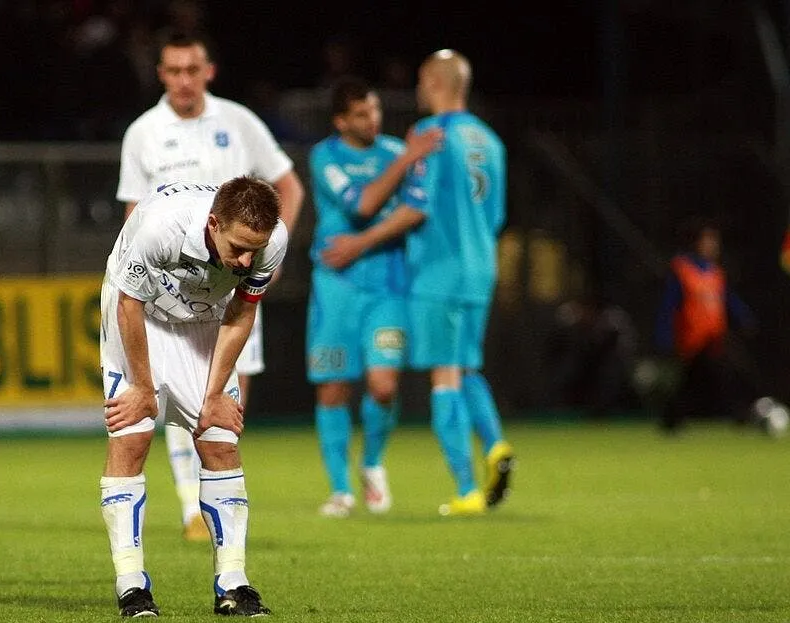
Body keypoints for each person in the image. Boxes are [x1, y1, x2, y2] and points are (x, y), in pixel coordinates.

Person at [116, 32, 304, 541]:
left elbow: (288, 185)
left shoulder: (238, 122)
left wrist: (268, 257)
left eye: (191, 70)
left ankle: (215, 500)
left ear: (208, 71)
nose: (182, 80)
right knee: (176, 389)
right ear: (161, 75)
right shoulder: (143, 133)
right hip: (172, 288)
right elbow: (135, 214)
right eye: (173, 71)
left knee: (225, 400)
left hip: (233, 285)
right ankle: (190, 509)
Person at [322, 50, 515, 514]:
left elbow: (416, 207)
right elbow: (498, 215)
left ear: (432, 81)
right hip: (482, 267)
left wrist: (363, 241)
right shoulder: (490, 140)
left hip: (439, 271)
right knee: (468, 365)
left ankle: (467, 489)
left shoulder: (431, 135)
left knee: (444, 375)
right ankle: (495, 446)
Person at [98, 176, 287, 618]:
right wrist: (144, 389)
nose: (244, 260)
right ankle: (132, 585)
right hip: (138, 311)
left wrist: (216, 392)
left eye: (252, 252)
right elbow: (129, 304)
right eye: (237, 247)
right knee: (132, 434)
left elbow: (243, 309)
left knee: (221, 438)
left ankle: (234, 582)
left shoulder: (270, 242)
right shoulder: (160, 228)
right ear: (214, 222)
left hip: (206, 317)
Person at [307, 77, 442, 517]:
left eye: (376, 110)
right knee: (333, 388)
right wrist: (406, 159)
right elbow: (361, 204)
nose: (373, 120)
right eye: (362, 114)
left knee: (383, 386)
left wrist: (363, 244)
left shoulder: (394, 154)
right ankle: (340, 489)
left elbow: (416, 209)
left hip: (389, 285)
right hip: (336, 287)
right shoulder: (325, 156)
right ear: (341, 121)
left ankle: (372, 463)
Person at [655, 218, 759, 432]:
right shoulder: (682, 271)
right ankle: (741, 414)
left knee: (712, 378)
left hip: (714, 339)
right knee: (698, 381)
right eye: (708, 240)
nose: (713, 245)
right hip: (691, 339)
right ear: (695, 242)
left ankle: (738, 414)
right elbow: (668, 306)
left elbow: (728, 299)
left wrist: (744, 317)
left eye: (715, 241)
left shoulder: (715, 273)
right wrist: (664, 336)